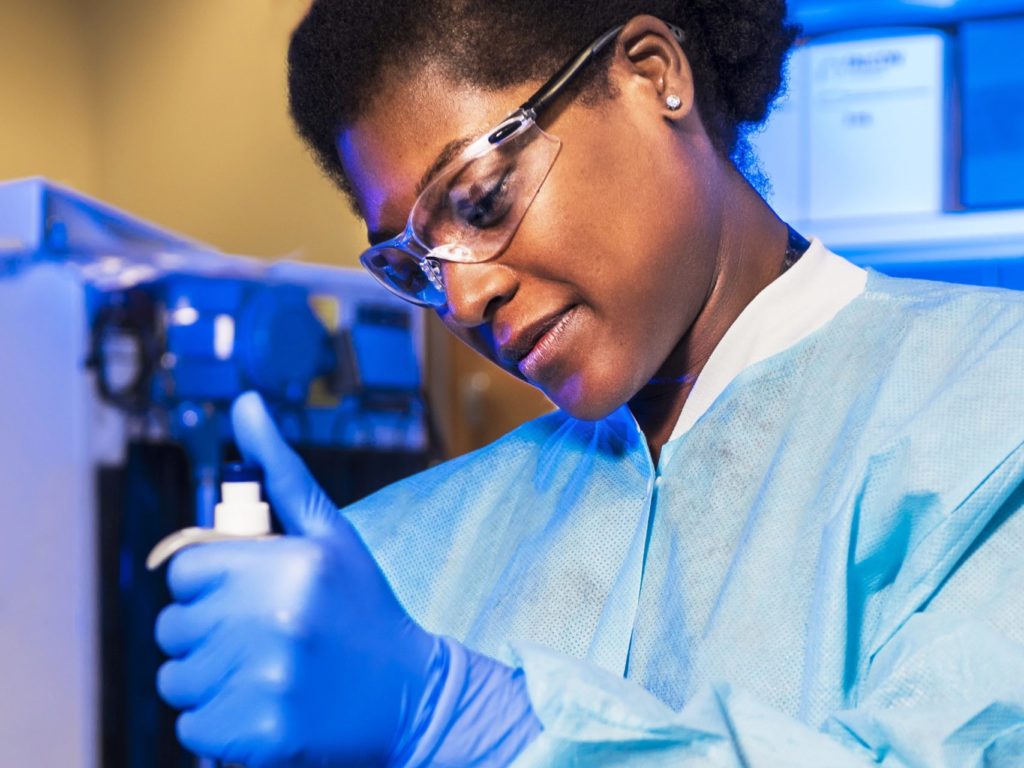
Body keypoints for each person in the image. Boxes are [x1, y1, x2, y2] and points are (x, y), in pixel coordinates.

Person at [153, 1, 1024, 765]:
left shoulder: (988, 403)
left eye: (483, 199)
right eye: (415, 264)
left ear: (653, 76)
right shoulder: (391, 562)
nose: (462, 294)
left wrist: (473, 726)